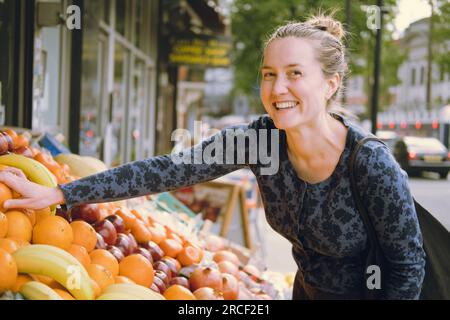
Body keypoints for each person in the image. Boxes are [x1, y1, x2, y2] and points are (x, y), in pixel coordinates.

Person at [0, 14, 425, 300]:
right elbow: (166, 170)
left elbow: (408, 266)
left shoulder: (369, 163)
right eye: (269, 74)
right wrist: (59, 190)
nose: (278, 89)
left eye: (295, 74)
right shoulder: (261, 141)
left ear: (331, 83)